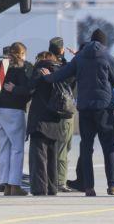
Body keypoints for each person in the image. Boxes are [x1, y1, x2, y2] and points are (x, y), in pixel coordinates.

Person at [41, 29, 114, 196]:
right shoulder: (107, 56)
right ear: (103, 42)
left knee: (86, 147)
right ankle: (113, 185)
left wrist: (48, 77)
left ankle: (88, 187)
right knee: (108, 146)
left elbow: (63, 74)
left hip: (85, 107)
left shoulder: (80, 57)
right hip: (104, 108)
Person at [27, 52, 65, 196]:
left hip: (39, 120)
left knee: (39, 158)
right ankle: (52, 188)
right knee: (52, 158)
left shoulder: (40, 69)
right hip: (55, 119)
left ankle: (39, 189)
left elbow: (29, 88)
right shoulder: (61, 71)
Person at [0, 42, 32, 196]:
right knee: (17, 149)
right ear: (22, 53)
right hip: (15, 111)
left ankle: (4, 184)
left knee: (4, 147)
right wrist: (16, 90)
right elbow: (28, 90)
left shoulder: (3, 66)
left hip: (1, 110)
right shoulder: (24, 68)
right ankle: (14, 184)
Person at [49, 37, 75, 193]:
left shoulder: (49, 65)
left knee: (58, 147)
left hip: (53, 111)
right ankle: (60, 181)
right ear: (62, 50)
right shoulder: (66, 67)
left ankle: (55, 179)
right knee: (64, 148)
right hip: (66, 111)